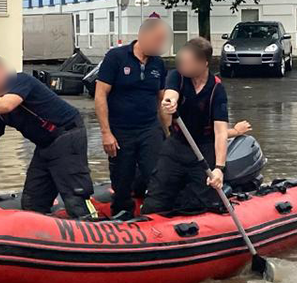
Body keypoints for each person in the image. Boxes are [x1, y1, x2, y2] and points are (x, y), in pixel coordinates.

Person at [0, 55, 96, 217]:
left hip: (68, 134)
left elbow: (8, 104)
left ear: (4, 71)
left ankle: (92, 227)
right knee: (32, 202)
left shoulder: (22, 81)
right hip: (45, 146)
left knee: (75, 197)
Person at [142, 37, 251, 217]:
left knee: (196, 204)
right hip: (176, 147)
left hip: (203, 151)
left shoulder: (217, 90)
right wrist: (169, 103)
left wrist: (219, 168)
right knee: (156, 199)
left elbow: (220, 132)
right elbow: (170, 94)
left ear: (203, 63)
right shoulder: (178, 76)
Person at [93, 18, 169, 217]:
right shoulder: (116, 58)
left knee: (156, 173)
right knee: (122, 178)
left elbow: (161, 100)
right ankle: (122, 212)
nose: (160, 44)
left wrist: (169, 134)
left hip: (149, 128)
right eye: (157, 39)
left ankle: (155, 214)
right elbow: (100, 95)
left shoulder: (158, 64)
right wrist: (106, 133)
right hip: (120, 130)